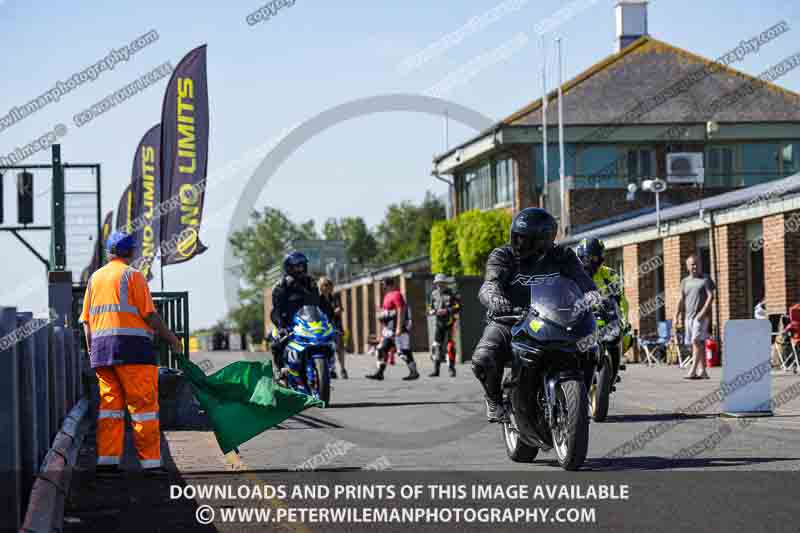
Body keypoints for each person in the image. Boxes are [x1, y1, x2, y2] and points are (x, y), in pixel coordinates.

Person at [473, 208, 597, 422]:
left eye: (526, 238)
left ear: (545, 240)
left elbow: (582, 278)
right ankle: (494, 400)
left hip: (552, 318)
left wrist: (592, 294)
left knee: (590, 346)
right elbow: (490, 284)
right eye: (516, 236)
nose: (519, 243)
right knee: (484, 358)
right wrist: (495, 298)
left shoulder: (563, 256)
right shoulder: (503, 255)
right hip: (511, 320)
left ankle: (579, 396)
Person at [79, 231, 183, 474]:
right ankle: (150, 463)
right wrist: (171, 339)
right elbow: (149, 314)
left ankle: (107, 461)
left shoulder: (95, 278)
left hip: (102, 352)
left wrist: (91, 350)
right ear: (131, 252)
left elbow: (86, 322)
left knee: (109, 408)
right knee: (143, 408)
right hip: (133, 350)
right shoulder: (133, 276)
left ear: (109, 252)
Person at [576, 237, 632, 379]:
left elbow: (621, 300)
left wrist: (623, 321)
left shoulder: (609, 274)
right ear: (581, 256)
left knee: (626, 337)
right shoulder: (572, 274)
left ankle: (613, 369)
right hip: (579, 320)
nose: (592, 261)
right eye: (588, 257)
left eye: (595, 257)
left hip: (603, 319)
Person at [270, 252, 320, 375]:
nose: (300, 269)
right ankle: (280, 371)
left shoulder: (311, 283)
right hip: (287, 323)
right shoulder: (282, 285)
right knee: (276, 344)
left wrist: (326, 320)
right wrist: (281, 327)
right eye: (297, 266)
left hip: (308, 322)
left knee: (328, 339)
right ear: (289, 267)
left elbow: (318, 305)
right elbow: (277, 309)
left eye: (302, 266)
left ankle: (326, 367)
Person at [366, 277, 420, 381]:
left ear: (388, 284)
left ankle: (414, 372)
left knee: (403, 352)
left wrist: (399, 328)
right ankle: (380, 373)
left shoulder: (396, 294)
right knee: (382, 349)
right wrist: (382, 317)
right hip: (389, 330)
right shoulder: (387, 296)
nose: (382, 286)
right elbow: (388, 312)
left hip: (399, 329)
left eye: (383, 284)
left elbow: (401, 310)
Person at [675, 255, 715, 379]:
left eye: (697, 264)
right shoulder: (685, 281)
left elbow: (710, 296)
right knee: (698, 343)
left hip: (701, 317)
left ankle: (692, 371)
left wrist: (702, 313)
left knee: (696, 341)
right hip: (688, 317)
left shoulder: (705, 279)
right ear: (687, 266)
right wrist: (676, 316)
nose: (695, 266)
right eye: (692, 264)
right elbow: (681, 299)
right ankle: (703, 371)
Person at [428, 273, 461, 377]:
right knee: (437, 346)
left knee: (450, 346)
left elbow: (458, 306)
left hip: (450, 323)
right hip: (439, 323)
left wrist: (447, 311)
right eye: (438, 283)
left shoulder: (452, 294)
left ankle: (451, 369)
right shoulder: (433, 294)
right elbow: (430, 307)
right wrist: (432, 311)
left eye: (442, 283)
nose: (440, 285)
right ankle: (436, 370)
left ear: (445, 284)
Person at [318, 277, 347, 379]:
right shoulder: (318, 299)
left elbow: (339, 309)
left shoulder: (335, 297)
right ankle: (331, 369)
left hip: (335, 325)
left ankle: (343, 369)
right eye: (325, 284)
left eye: (329, 284)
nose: (328, 287)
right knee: (327, 347)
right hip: (323, 327)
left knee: (340, 347)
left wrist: (338, 310)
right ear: (320, 287)